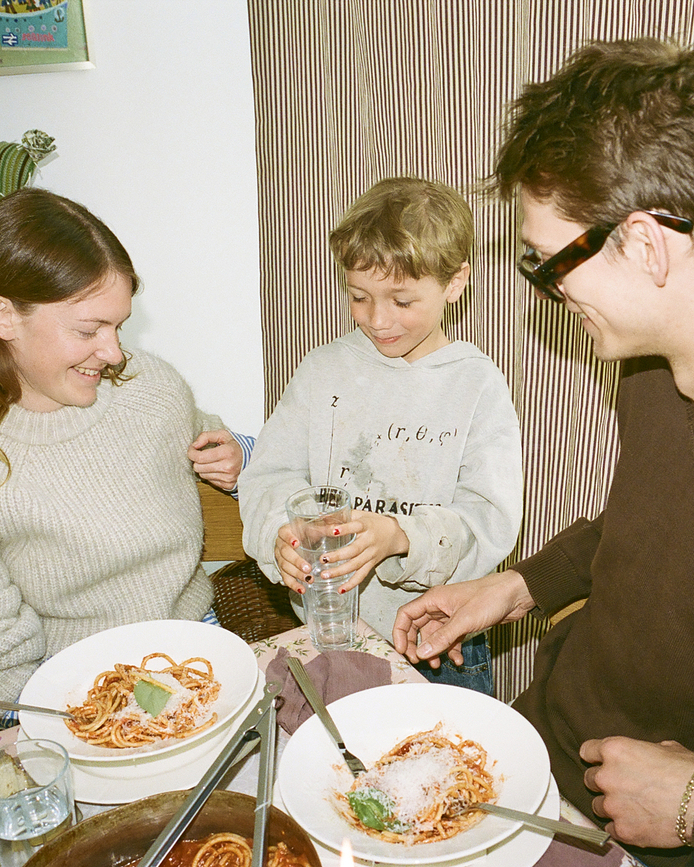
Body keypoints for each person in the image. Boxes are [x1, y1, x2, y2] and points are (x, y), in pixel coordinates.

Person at [392, 38, 694, 866]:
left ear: (644, 243)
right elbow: (639, 528)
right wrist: (517, 585)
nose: (551, 292)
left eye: (548, 262)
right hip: (549, 735)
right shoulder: (645, 364)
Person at [239, 177, 523, 694]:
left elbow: (490, 521)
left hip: (437, 646)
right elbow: (270, 476)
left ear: (456, 283)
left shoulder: (476, 384)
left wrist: (400, 537)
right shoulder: (324, 370)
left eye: (402, 300)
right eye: (359, 296)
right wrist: (279, 536)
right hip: (328, 637)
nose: (377, 319)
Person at [0, 187, 254, 706]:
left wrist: (240, 456)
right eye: (89, 330)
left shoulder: (150, 386)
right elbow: (7, 650)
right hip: (66, 678)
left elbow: (230, 447)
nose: (114, 352)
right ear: (5, 317)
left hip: (197, 644)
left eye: (119, 326)